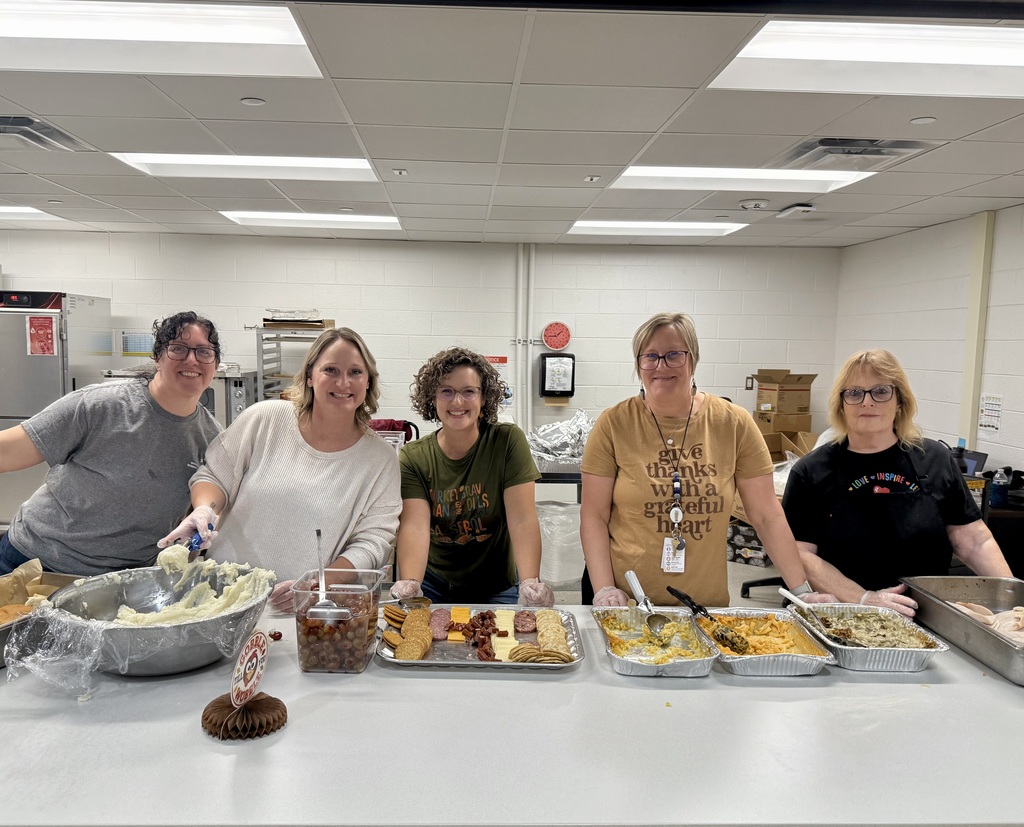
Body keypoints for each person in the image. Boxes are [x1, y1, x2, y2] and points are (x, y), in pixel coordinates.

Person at [580, 312, 816, 608]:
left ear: (693, 358)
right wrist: (602, 588)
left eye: (673, 355)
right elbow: (594, 515)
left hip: (702, 606)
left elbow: (766, 514)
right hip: (628, 603)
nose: (661, 365)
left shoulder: (733, 423)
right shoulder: (614, 424)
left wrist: (802, 590)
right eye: (650, 356)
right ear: (638, 363)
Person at [158, 327, 401, 612]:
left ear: (369, 381)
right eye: (331, 370)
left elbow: (373, 542)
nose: (344, 382)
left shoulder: (380, 459)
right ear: (310, 377)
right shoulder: (265, 420)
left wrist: (317, 584)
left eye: (356, 372)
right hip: (220, 598)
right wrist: (204, 509)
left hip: (303, 613)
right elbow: (214, 476)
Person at [782, 349, 1011, 617]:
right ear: (841, 405)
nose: (867, 402)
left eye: (881, 391)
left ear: (900, 401)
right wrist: (863, 598)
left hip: (925, 617)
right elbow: (799, 553)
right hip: (843, 615)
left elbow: (974, 541)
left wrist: (1012, 601)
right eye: (854, 393)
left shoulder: (936, 459)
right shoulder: (810, 471)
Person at [0, 311, 222, 576]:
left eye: (203, 352)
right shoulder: (101, 405)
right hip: (37, 563)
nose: (191, 360)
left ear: (216, 365)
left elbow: (206, 500)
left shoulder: (211, 435)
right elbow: (6, 452)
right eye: (178, 349)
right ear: (157, 358)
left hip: (125, 579)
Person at [390, 347, 554, 606]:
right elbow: (415, 526)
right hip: (434, 582)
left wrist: (530, 580)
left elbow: (522, 519)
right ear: (432, 398)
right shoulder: (413, 458)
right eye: (446, 391)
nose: (457, 402)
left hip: (496, 584)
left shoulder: (507, 441)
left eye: (468, 391)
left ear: (484, 397)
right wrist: (411, 581)